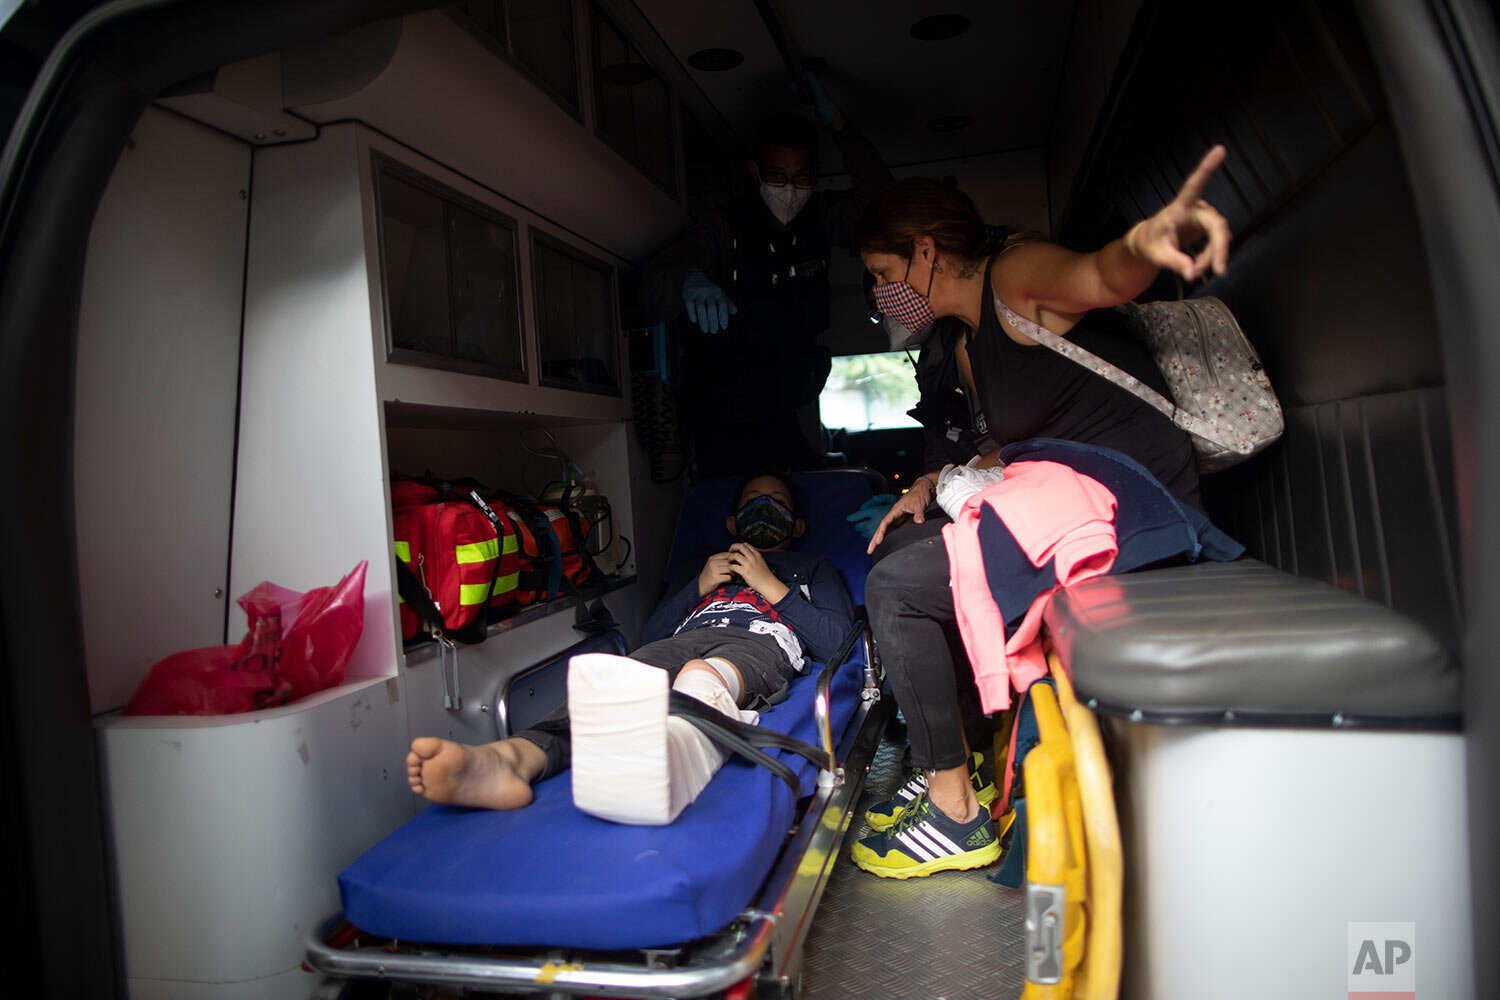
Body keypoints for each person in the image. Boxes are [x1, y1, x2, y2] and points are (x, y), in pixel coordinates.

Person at [848, 147, 1233, 878]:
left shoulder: (1014, 278)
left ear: (925, 252)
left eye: (883, 275)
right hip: (1078, 501)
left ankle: (955, 811)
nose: (881, 295)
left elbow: (1098, 276)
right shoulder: (967, 344)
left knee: (897, 591)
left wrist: (1145, 244)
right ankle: (961, 762)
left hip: (1133, 507)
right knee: (901, 558)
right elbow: (1016, 447)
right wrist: (929, 485)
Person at [406, 470, 855, 825]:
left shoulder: (812, 567)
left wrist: (771, 586)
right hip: (684, 639)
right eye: (753, 500)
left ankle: (675, 755)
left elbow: (836, 642)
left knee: (705, 673)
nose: (766, 507)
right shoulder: (700, 568)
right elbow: (653, 637)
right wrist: (696, 586)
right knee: (620, 688)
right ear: (732, 523)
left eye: (778, 503)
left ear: (796, 525)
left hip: (759, 641)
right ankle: (510, 760)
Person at [639, 74, 892, 475]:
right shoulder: (724, 229)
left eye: (801, 178)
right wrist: (686, 281)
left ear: (814, 175)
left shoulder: (822, 217)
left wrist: (839, 124)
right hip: (727, 415)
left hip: (795, 403)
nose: (789, 189)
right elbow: (651, 286)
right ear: (755, 171)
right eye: (776, 176)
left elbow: (882, 203)